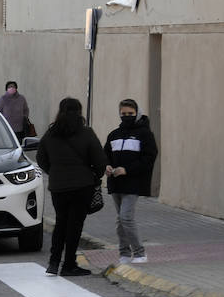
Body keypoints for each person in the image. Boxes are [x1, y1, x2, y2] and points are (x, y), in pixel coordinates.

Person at [35, 97, 107, 276]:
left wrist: (55, 172)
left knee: (60, 224)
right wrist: (95, 175)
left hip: (58, 187)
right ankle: (68, 265)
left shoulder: (50, 134)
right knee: (74, 227)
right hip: (82, 186)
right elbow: (100, 161)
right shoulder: (86, 133)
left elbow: (40, 158)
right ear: (79, 112)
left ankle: (53, 263)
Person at [104, 98, 159, 265]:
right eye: (123, 114)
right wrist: (106, 165)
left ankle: (140, 252)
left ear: (137, 113)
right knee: (120, 219)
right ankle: (124, 254)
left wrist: (127, 169)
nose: (126, 116)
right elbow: (105, 153)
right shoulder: (114, 134)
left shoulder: (145, 134)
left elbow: (149, 157)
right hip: (116, 182)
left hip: (134, 182)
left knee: (126, 217)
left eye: (130, 114)